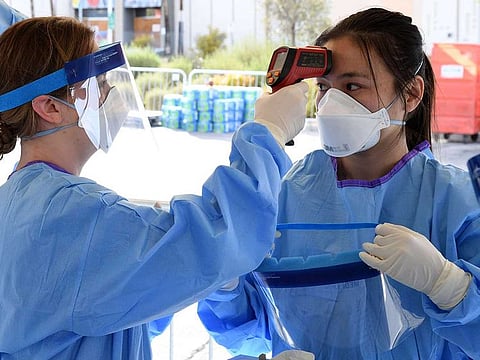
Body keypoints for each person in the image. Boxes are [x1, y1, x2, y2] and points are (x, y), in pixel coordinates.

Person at [0, 16, 309, 359]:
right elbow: (220, 233)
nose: (108, 93)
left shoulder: (21, 201)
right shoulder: (69, 214)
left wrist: (172, 267)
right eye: (98, 82)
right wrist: (269, 131)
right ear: (50, 107)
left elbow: (110, 308)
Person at [198, 7, 480, 359]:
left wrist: (448, 285)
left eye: (352, 86)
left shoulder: (458, 202)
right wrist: (224, 283)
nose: (331, 104)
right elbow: (245, 328)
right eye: (324, 87)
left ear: (410, 94)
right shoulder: (282, 193)